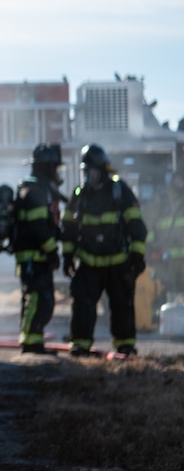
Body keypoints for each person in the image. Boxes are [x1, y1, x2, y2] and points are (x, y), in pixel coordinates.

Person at [61, 144, 147, 358]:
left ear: (102, 170)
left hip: (117, 262)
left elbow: (136, 226)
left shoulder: (120, 191)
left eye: (90, 171)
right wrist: (67, 256)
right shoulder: (79, 195)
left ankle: (125, 347)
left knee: (121, 306)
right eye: (84, 171)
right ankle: (80, 345)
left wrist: (137, 255)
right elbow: (69, 229)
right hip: (89, 262)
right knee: (83, 305)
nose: (87, 176)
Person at [10, 143, 65, 354]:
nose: (57, 172)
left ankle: (34, 341)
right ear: (47, 167)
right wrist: (53, 251)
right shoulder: (34, 191)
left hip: (37, 257)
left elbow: (48, 225)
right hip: (34, 257)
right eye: (54, 167)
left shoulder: (40, 190)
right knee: (37, 299)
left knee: (42, 300)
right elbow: (39, 227)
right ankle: (30, 343)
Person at [149, 171, 184, 300]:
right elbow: (147, 224)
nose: (180, 183)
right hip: (165, 262)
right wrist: (153, 246)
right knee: (164, 296)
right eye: (179, 179)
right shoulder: (161, 199)